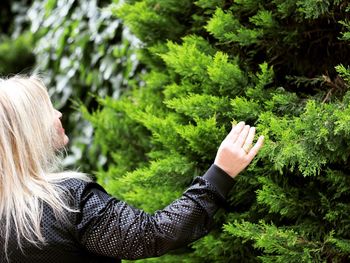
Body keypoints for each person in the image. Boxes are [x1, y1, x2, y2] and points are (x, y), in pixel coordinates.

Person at [0, 75, 264, 263]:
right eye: (47, 110)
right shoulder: (66, 201)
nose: (58, 114)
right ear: (27, 130)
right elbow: (152, 235)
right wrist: (220, 173)